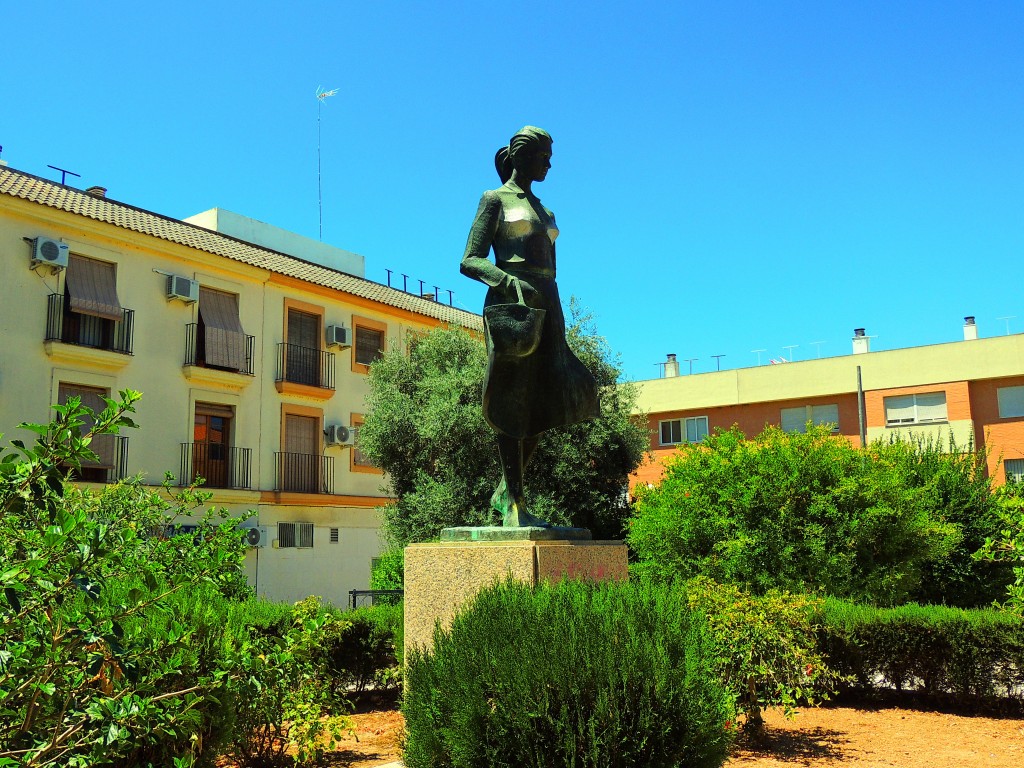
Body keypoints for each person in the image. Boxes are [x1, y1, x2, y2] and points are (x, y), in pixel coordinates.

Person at [461, 126, 599, 527]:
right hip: (513, 303)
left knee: (553, 395)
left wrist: (549, 296)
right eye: (543, 156)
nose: (549, 164)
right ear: (521, 156)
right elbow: (470, 259)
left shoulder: (546, 211)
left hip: (548, 300)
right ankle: (515, 503)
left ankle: (506, 491)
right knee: (512, 396)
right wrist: (507, 281)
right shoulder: (494, 199)